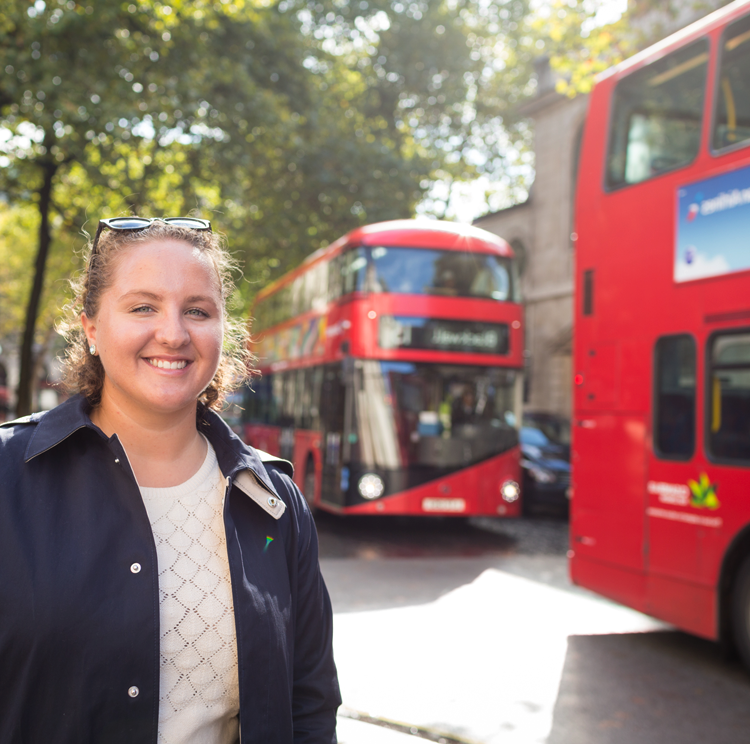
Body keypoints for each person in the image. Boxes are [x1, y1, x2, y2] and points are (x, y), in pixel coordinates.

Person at [0, 217, 341, 743]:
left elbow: (309, 705)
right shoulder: (7, 475)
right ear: (91, 328)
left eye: (198, 311)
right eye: (143, 307)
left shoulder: (275, 503)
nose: (174, 334)